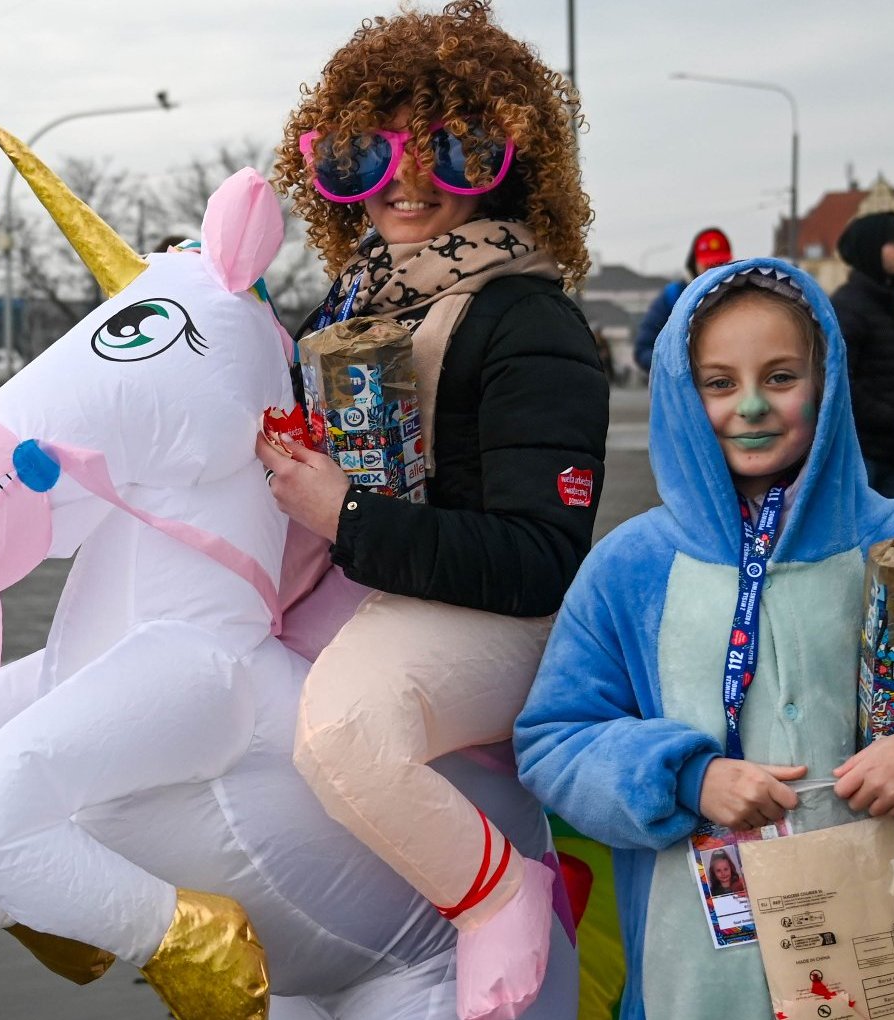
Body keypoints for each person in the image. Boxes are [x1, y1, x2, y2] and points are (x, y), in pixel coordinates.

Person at [514, 259, 894, 1019]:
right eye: (718, 383)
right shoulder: (633, 565)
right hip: (695, 971)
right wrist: (687, 779)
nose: (751, 404)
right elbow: (555, 739)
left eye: (781, 376)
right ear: (681, 393)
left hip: (884, 946)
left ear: (826, 381)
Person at [262, 3, 606, 1016]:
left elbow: (537, 556)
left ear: (505, 162)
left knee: (342, 732)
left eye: (449, 148)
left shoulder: (528, 318)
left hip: (490, 619)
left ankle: (501, 897)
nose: (406, 179)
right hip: (369, 592)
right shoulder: (349, 305)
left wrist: (347, 515)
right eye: (371, 149)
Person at [830, 211, 894, 508]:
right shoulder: (849, 307)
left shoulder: (887, 303)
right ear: (871, 249)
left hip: (892, 456)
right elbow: (840, 383)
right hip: (864, 458)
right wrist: (890, 417)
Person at [632, 227, 732, 374]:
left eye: (721, 264)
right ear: (694, 263)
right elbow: (643, 350)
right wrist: (677, 368)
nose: (715, 271)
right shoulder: (673, 297)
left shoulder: (739, 297)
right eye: (709, 265)